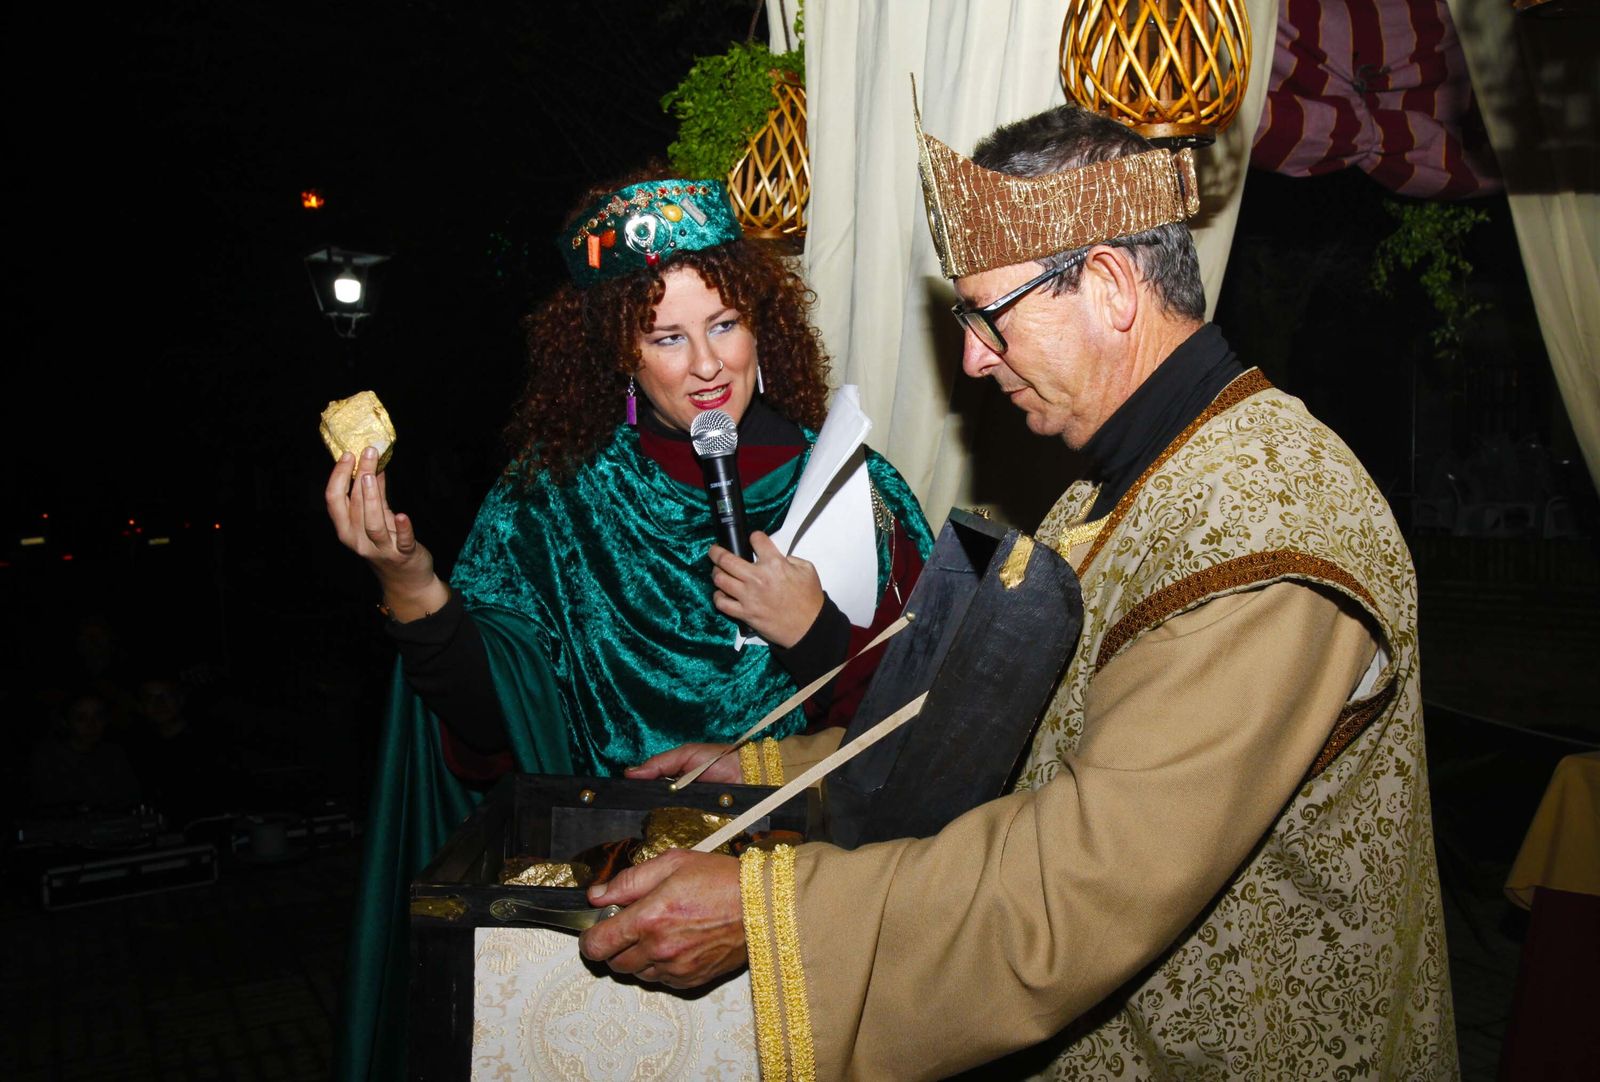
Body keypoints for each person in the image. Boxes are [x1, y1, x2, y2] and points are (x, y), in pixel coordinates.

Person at [577, 106, 1459, 1079]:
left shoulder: (1261, 521)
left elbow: (1080, 885)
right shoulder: (1112, 487)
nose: (972, 358)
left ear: (1110, 286)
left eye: (988, 315)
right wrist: (759, 772)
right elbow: (984, 732)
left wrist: (768, 911)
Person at [325, 174, 933, 1081]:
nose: (707, 365)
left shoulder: (858, 488)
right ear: (620, 352)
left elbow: (930, 731)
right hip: (606, 921)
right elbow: (493, 727)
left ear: (762, 323)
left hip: (799, 924)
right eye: (667, 337)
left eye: (724, 323)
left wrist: (815, 634)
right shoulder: (550, 497)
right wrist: (411, 586)